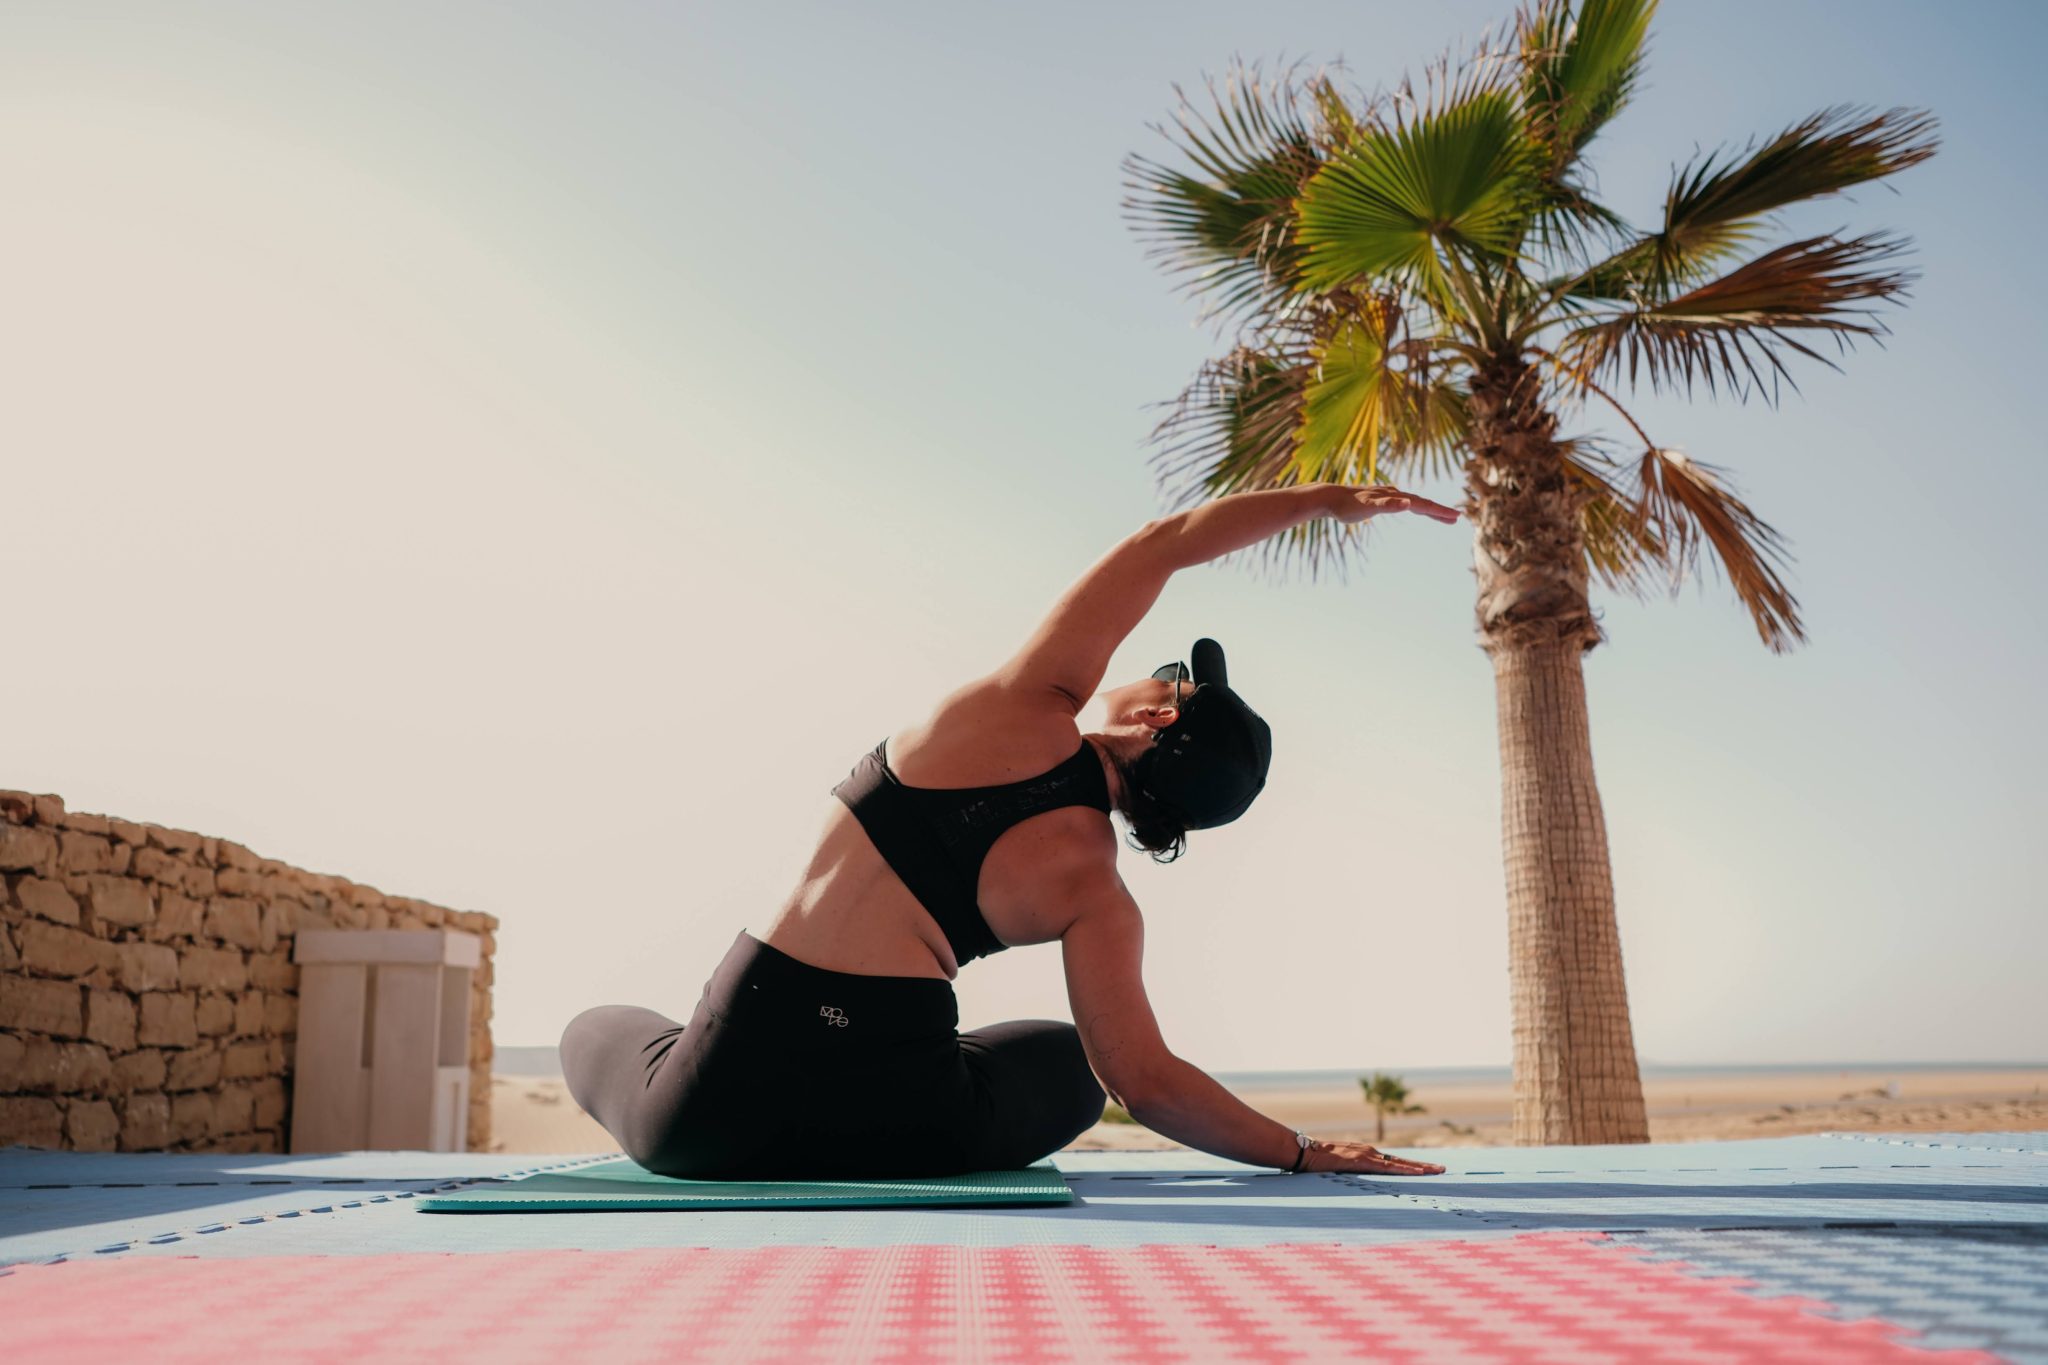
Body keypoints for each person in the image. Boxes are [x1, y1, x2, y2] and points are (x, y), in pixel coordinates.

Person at [561, 482, 1459, 1181]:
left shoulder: (1022, 707)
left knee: (593, 1029)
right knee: (1076, 1060)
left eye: (1167, 675)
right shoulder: (1101, 897)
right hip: (903, 1120)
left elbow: (1163, 545)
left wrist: (1325, 501)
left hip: (713, 1113)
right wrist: (1301, 1151)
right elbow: (1143, 1084)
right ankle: (857, 1105)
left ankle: (742, 1078)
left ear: (1155, 718)